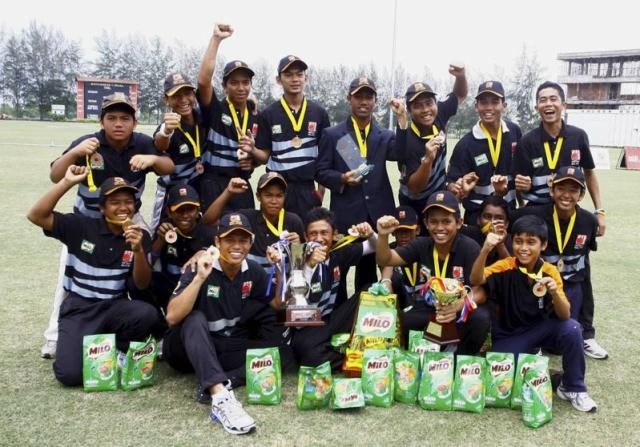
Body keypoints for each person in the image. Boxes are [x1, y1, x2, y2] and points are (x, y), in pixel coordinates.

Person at [40, 93, 174, 359]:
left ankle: (151, 332)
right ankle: (54, 337)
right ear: (102, 121)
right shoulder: (89, 142)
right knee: (68, 278)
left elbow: (168, 166)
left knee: (144, 270)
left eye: (125, 118)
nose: (118, 123)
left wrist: (152, 160)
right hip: (88, 219)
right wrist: (77, 153)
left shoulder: (142, 142)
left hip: (128, 218)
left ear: (134, 123)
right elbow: (55, 174)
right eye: (111, 118)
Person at [27, 171, 161, 386]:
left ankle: (117, 348)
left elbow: (142, 284)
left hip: (114, 306)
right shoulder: (81, 226)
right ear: (102, 208)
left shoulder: (139, 235)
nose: (123, 207)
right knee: (70, 376)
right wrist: (67, 182)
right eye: (115, 202)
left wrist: (137, 251)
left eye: (128, 202)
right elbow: (36, 215)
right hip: (80, 308)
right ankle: (87, 344)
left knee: (147, 314)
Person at [164, 212, 293, 435]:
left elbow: (277, 303)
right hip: (184, 349)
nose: (236, 246)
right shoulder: (200, 265)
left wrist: (280, 268)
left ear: (251, 243)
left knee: (282, 353)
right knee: (194, 318)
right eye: (229, 240)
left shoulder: (252, 270)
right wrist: (199, 278)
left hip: (222, 346)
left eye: (243, 240)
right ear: (217, 242)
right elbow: (173, 317)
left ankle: (226, 380)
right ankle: (220, 397)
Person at [470, 214, 597, 412]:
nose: (524, 248)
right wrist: (486, 249)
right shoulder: (505, 266)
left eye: (531, 242)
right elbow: (476, 279)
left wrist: (555, 292)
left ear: (543, 245)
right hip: (510, 335)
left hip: (540, 331)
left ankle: (573, 387)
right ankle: (552, 377)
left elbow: (565, 315)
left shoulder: (550, 271)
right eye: (518, 241)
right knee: (498, 373)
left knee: (572, 328)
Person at [375, 191, 490, 354]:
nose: (440, 227)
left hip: (460, 310)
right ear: (426, 224)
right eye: (434, 222)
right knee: (404, 320)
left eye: (446, 221)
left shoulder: (470, 248)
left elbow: (481, 291)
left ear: (459, 223)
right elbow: (386, 260)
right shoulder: (421, 244)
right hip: (432, 309)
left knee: (481, 318)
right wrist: (383, 235)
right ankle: (427, 354)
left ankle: (461, 358)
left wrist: (457, 306)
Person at [510, 167, 606, 359]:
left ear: (581, 195)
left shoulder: (588, 221)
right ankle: (533, 339)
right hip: (539, 283)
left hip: (569, 284)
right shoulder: (533, 213)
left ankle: (583, 335)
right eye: (561, 188)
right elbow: (507, 221)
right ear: (552, 190)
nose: (567, 195)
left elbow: (585, 253)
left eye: (573, 190)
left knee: (560, 345)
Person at [316, 76, 397, 291]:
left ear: (375, 100)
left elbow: (402, 153)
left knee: (369, 274)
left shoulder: (385, 135)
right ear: (348, 98)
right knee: (339, 273)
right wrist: (342, 178)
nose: (363, 101)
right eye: (358, 96)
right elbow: (321, 172)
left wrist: (403, 122)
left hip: (377, 216)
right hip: (345, 217)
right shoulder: (333, 134)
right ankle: (339, 317)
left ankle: (364, 319)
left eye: (368, 97)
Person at [284, 207, 378, 368]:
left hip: (333, 319)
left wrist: (370, 234)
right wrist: (310, 265)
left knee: (372, 290)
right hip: (307, 325)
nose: (319, 239)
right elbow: (295, 314)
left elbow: (374, 246)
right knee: (308, 355)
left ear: (334, 234)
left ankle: (341, 348)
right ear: (306, 237)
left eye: (324, 233)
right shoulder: (297, 257)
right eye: (313, 234)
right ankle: (349, 357)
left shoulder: (338, 253)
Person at [513, 81, 606, 236]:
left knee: (572, 255)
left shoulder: (578, 136)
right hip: (537, 214)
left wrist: (600, 211)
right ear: (536, 108)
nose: (548, 104)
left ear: (564, 105)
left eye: (553, 99)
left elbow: (589, 174)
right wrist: (522, 194)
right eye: (543, 100)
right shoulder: (527, 141)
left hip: (568, 211)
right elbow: (519, 182)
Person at [252, 55, 331, 217]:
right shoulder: (268, 114)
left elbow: (325, 155)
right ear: (278, 79)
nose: (295, 79)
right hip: (278, 189)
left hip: (307, 189)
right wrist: (252, 149)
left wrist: (320, 191)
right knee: (277, 238)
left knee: (305, 239)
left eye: (299, 74)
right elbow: (264, 157)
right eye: (288, 75)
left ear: (306, 78)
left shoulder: (319, 113)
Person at [392, 64, 468, 231]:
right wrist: (428, 160)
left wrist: (460, 76)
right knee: (418, 247)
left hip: (438, 196)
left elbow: (460, 95)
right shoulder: (406, 140)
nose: (426, 110)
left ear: (435, 103)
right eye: (418, 106)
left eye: (429, 103)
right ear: (410, 111)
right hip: (414, 203)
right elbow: (414, 188)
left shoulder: (439, 114)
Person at [197, 24, 258, 211]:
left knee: (245, 235)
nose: (241, 88)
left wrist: (252, 162)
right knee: (213, 234)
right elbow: (203, 81)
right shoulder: (215, 109)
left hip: (241, 183)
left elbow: (259, 154)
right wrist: (216, 40)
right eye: (234, 83)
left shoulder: (255, 114)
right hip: (213, 183)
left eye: (245, 83)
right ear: (224, 86)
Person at [447, 81, 522, 223]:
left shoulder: (514, 132)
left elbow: (519, 171)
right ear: (476, 106)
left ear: (504, 106)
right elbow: (452, 182)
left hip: (508, 213)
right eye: (483, 103)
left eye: (495, 102)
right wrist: (457, 187)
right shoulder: (465, 144)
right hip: (478, 216)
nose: (489, 108)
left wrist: (522, 203)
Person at [202, 172, 305, 272]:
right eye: (268, 195)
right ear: (258, 196)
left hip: (284, 283)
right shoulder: (247, 218)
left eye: (279, 196)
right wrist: (228, 192)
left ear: (284, 197)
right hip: (254, 284)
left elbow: (299, 269)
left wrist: (297, 249)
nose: (274, 201)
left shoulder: (294, 221)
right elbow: (209, 221)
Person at [150, 72, 212, 230]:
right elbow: (161, 143)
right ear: (166, 99)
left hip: (199, 190)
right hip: (172, 194)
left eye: (187, 93)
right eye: (176, 95)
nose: (184, 100)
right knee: (162, 234)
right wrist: (166, 132)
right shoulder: (167, 126)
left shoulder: (203, 117)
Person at [150, 184, 216, 312]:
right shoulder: (164, 230)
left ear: (198, 211)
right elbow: (149, 263)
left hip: (197, 293)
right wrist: (160, 240)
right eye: (179, 210)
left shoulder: (210, 233)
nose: (185, 215)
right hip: (169, 289)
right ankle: (158, 323)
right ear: (169, 212)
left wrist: (204, 252)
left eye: (190, 209)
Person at [460, 196, 512, 266]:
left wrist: (500, 244)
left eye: (499, 218)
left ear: (506, 224)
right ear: (478, 220)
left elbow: (512, 272)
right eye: (487, 217)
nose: (492, 222)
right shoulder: (469, 235)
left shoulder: (512, 241)